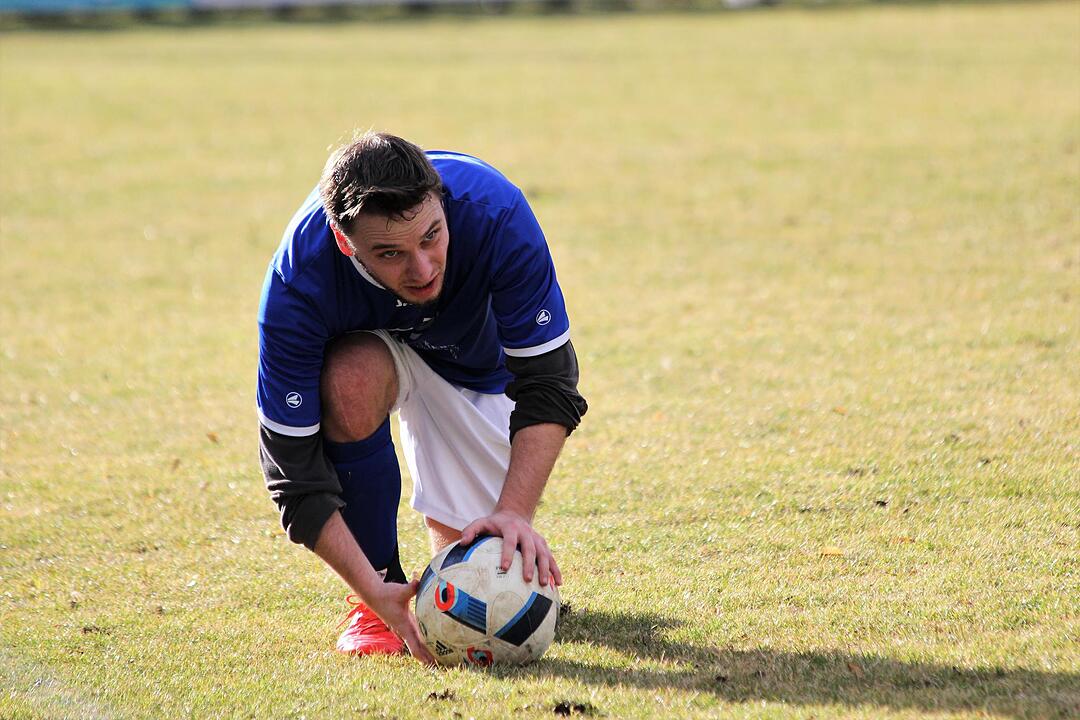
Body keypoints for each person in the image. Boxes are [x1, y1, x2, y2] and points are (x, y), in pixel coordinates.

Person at [256, 132, 587, 664]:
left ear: (440, 201)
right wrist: (371, 586)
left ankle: (475, 529)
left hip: (483, 372)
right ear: (346, 243)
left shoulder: (494, 210)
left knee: (474, 565)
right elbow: (293, 475)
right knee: (351, 377)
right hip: (382, 355)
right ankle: (380, 594)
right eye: (391, 253)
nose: (423, 268)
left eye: (432, 236)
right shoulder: (299, 280)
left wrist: (514, 513)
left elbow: (550, 383)